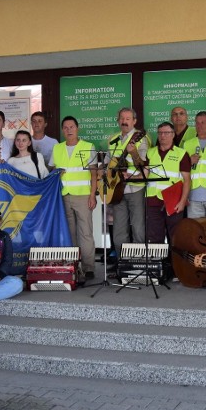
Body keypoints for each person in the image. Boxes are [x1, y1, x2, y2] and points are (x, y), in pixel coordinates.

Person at [50, 116, 97, 284]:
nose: (69, 130)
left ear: (77, 128)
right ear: (63, 130)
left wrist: (93, 195)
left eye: (72, 127)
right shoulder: (57, 148)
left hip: (83, 196)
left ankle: (89, 267)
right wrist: (56, 173)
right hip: (64, 196)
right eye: (66, 127)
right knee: (69, 233)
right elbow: (53, 171)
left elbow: (94, 173)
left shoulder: (88, 147)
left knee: (85, 232)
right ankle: (74, 266)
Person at [108, 107, 150, 255]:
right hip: (117, 190)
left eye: (127, 119)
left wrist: (134, 153)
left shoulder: (141, 139)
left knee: (138, 228)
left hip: (136, 188)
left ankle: (138, 262)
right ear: (118, 120)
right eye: (122, 118)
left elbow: (143, 165)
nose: (124, 121)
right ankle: (122, 263)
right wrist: (104, 172)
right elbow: (109, 163)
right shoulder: (113, 139)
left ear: (134, 121)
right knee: (119, 229)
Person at [146, 122, 191, 244]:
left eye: (166, 133)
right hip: (153, 201)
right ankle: (158, 263)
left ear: (173, 135)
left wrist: (182, 202)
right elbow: (145, 174)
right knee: (154, 237)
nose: (163, 136)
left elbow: (187, 180)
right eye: (160, 133)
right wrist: (131, 176)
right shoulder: (150, 152)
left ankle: (174, 263)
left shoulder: (181, 153)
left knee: (175, 236)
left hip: (173, 202)